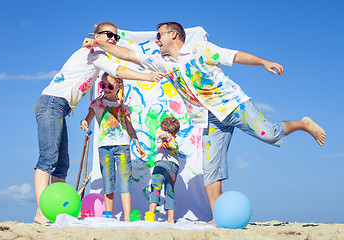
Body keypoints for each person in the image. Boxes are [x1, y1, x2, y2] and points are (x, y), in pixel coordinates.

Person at [82, 22, 326, 223]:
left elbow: (235, 56)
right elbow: (126, 54)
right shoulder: (161, 61)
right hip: (208, 117)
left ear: (173, 35)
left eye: (159, 35)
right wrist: (97, 43)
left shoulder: (199, 49)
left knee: (270, 134)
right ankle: (218, 216)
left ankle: (304, 123)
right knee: (210, 167)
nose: (156, 39)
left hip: (233, 105)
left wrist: (264, 62)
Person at [34, 22, 164, 224]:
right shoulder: (94, 53)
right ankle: (41, 211)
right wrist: (147, 77)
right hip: (52, 102)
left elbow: (123, 59)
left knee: (62, 164)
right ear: (96, 35)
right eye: (108, 35)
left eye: (115, 37)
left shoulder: (98, 55)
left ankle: (57, 211)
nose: (112, 39)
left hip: (61, 107)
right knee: (49, 158)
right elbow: (119, 70)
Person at [80, 73, 145, 221]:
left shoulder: (123, 106)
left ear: (119, 86)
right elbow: (88, 118)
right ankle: (108, 215)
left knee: (125, 181)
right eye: (102, 85)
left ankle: (127, 218)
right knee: (108, 181)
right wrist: (84, 122)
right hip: (105, 147)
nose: (106, 89)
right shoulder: (97, 104)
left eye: (109, 86)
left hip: (123, 146)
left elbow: (130, 127)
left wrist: (137, 142)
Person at [148, 116, 181, 224]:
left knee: (155, 189)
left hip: (161, 164)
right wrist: (165, 140)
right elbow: (164, 136)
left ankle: (151, 215)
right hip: (174, 167)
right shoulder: (174, 141)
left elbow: (162, 136)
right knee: (169, 192)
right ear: (175, 131)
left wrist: (164, 141)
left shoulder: (161, 133)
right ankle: (170, 219)